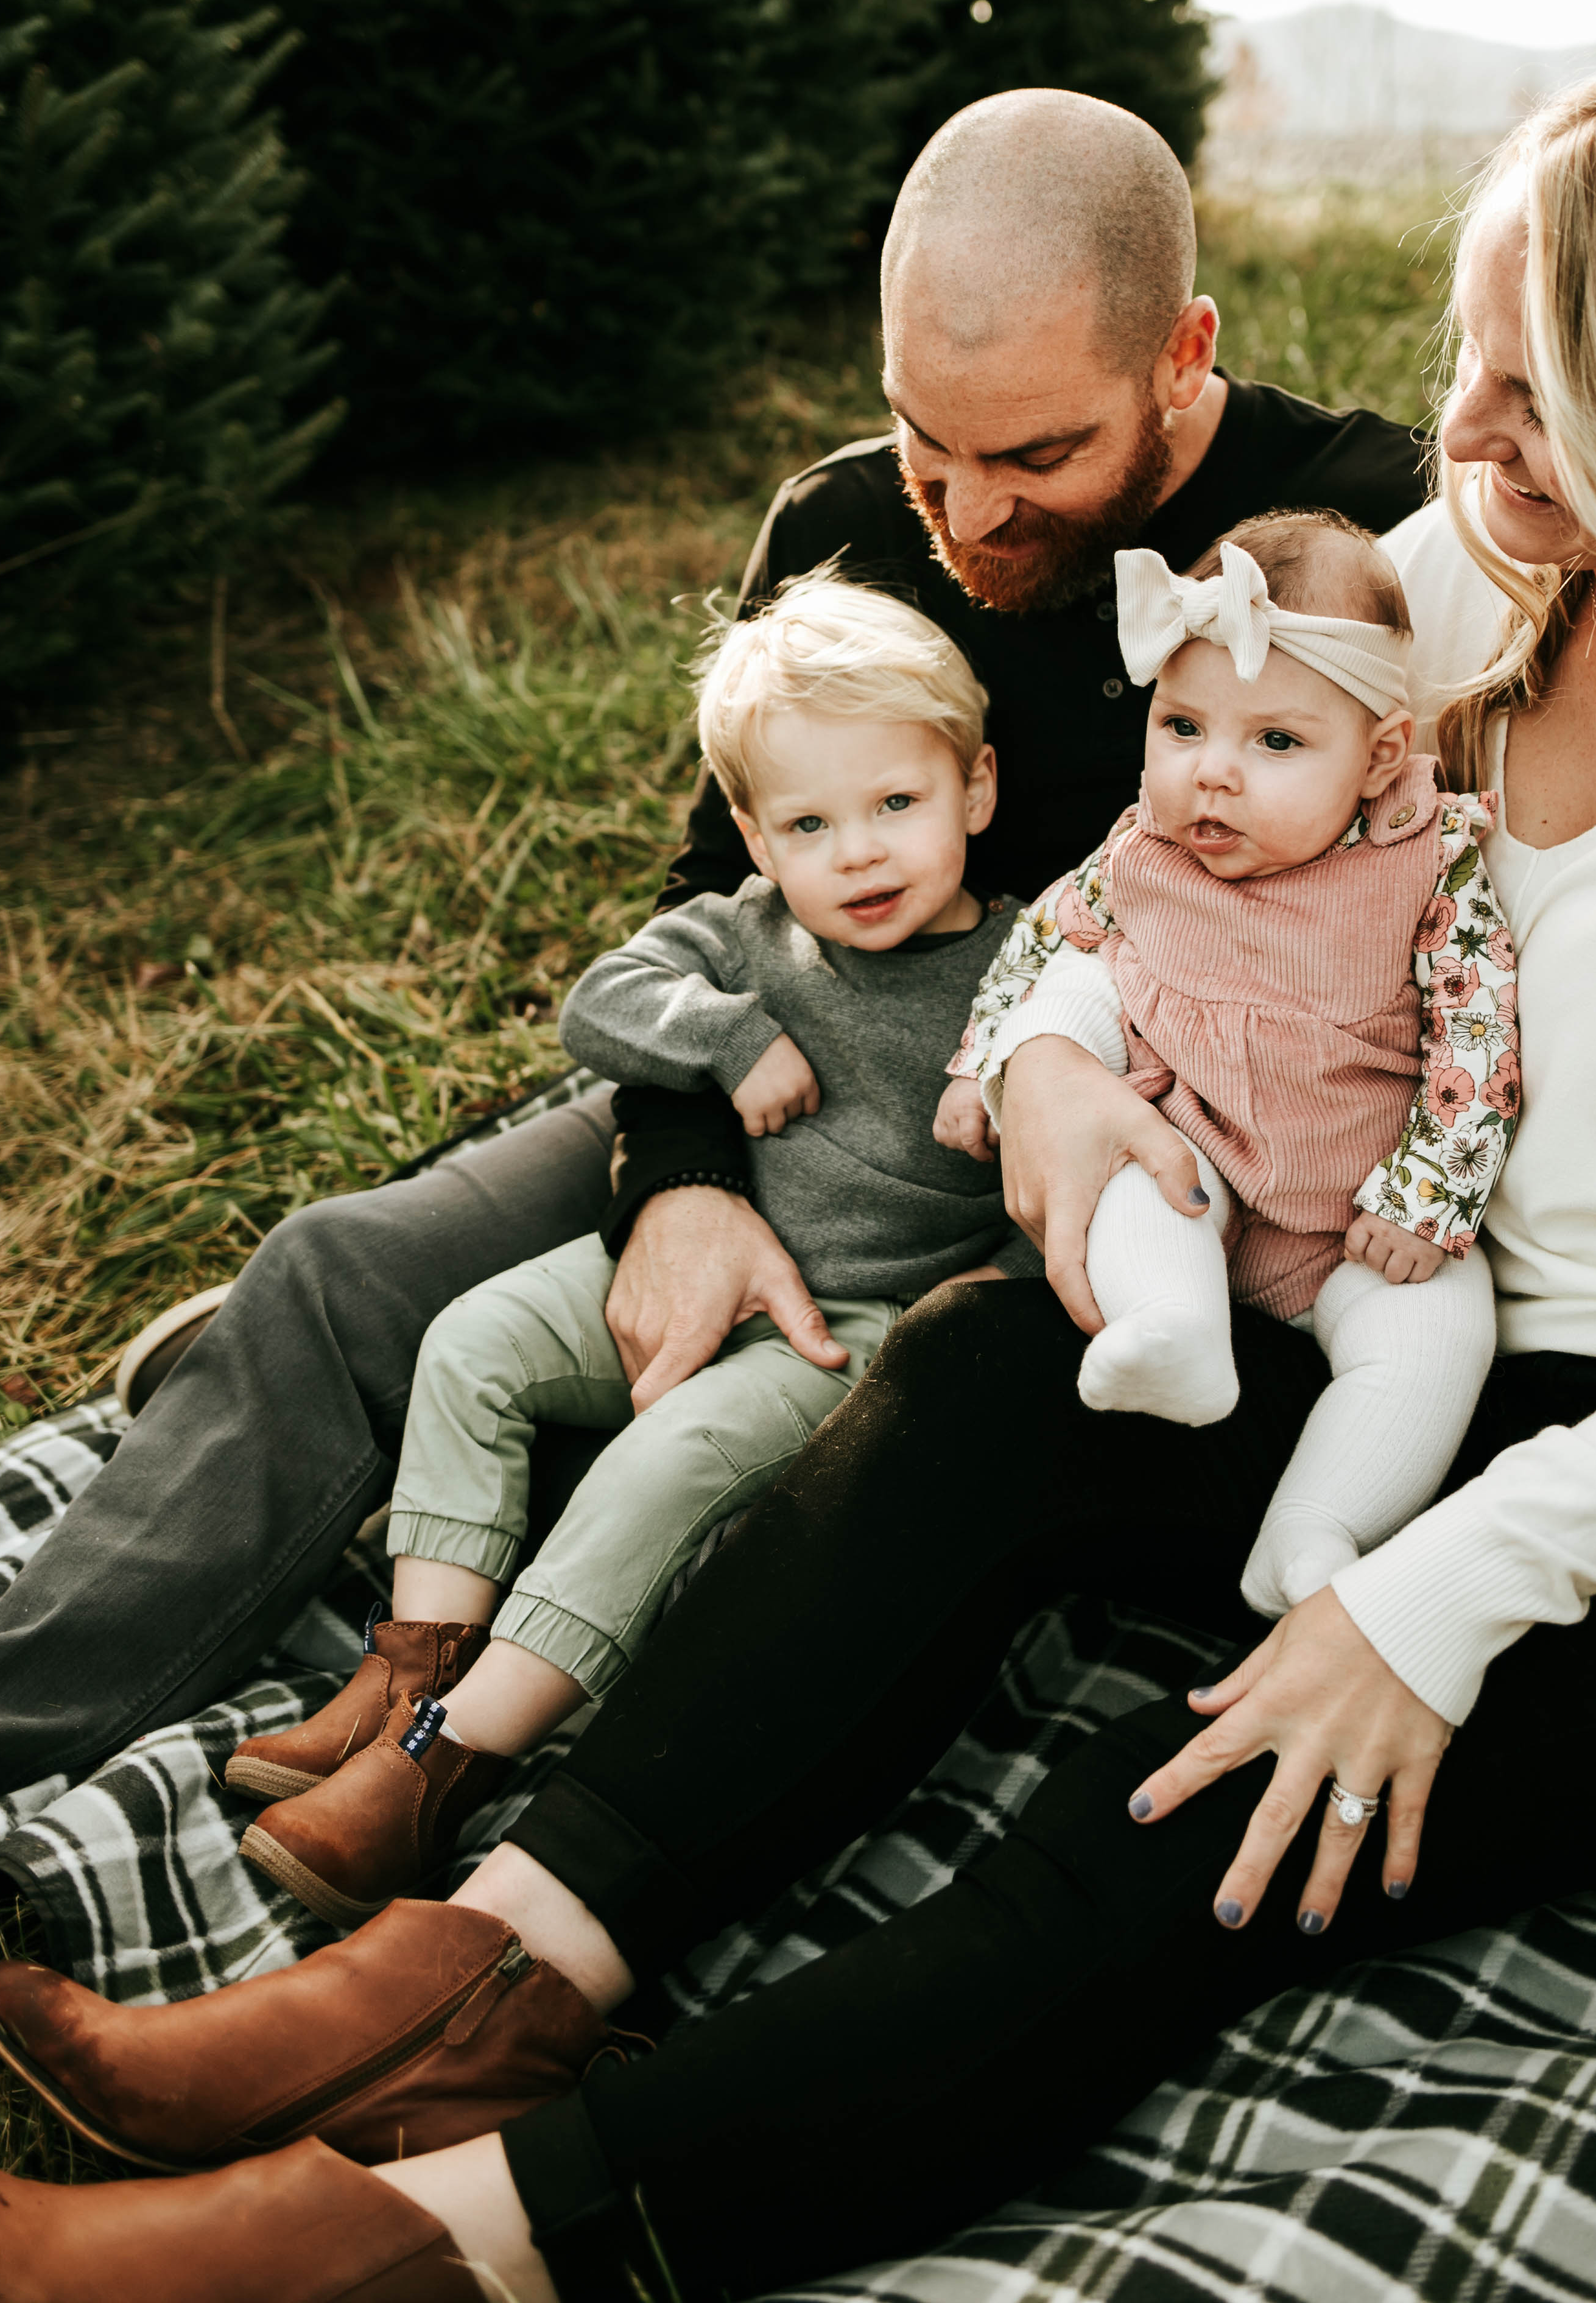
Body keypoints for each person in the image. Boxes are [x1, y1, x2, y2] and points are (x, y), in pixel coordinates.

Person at [7, 33, 1596, 2303]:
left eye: (1543, 399)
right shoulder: (1459, 591)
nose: (1469, 441)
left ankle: (438, 2242)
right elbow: (1149, 881)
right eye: (1471, 374)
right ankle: (481, 1973)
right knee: (984, 1371)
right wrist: (1072, 1063)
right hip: (1394, 1299)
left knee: (1212, 1804)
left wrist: (1426, 1609)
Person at [0, 87, 1421, 1800]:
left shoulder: (1358, 534)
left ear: (1183, 353)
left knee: (848, 1450)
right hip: (790, 1084)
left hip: (1132, 1201)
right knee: (341, 1270)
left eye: (1036, 459)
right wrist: (677, 1177)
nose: (964, 516)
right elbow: (701, 899)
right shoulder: (838, 525)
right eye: (925, 441)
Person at [223, 574, 1033, 1928]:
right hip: (689, 1268)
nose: (862, 854)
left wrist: (993, 1292)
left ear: (979, 788)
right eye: (811, 824)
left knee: (663, 1463)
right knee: (474, 1345)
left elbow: (1068, 1156)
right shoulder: (741, 942)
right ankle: (409, 1673)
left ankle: (451, 1761)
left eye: (899, 803)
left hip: (848, 1334)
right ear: (756, 841)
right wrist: (730, 1037)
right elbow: (603, 1002)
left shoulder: (1022, 972)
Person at [939, 510, 1511, 1612]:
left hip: (1352, 1224)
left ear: (1379, 754)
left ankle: (1316, 1528)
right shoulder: (1143, 851)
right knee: (1138, 1193)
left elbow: (1477, 1033)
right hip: (1188, 1158)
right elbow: (1051, 937)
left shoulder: (1425, 863)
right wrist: (987, 1060)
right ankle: (1177, 1335)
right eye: (1184, 726)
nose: (1214, 776)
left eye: (1277, 744)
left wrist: (1428, 1197)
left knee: (1442, 1332)